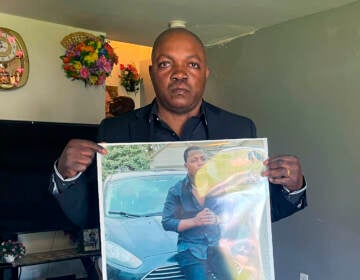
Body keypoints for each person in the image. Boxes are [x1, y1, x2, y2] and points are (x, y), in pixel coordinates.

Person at [50, 27, 307, 232]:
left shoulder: (239, 128)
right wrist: (65, 176)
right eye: (165, 64)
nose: (180, 74)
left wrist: (292, 188)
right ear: (152, 73)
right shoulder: (115, 131)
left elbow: (252, 215)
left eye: (192, 65)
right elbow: (95, 217)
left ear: (205, 73)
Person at [162, 146, 233, 279]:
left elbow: (231, 213)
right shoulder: (176, 191)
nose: (200, 163)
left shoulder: (218, 187)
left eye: (203, 159)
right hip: (191, 249)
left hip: (216, 245)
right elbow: (167, 222)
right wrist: (195, 221)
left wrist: (217, 219)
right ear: (186, 165)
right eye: (194, 160)